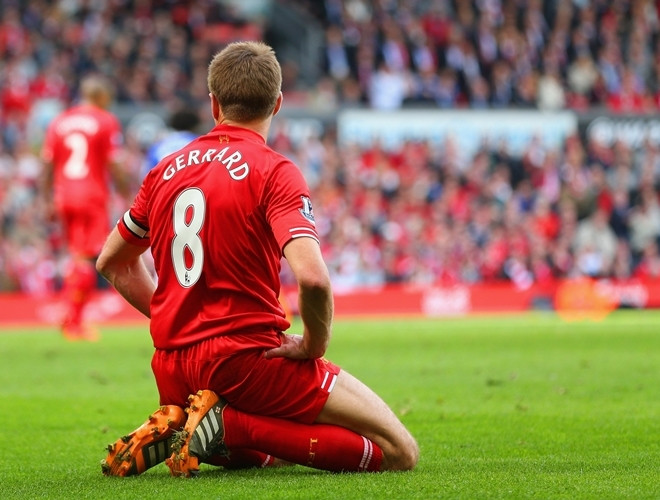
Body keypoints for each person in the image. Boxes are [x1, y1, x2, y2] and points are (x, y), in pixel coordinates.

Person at [97, 41, 418, 477]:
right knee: (398, 451)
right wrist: (314, 345)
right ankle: (229, 425)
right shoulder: (274, 170)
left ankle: (189, 424)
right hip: (247, 363)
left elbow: (112, 263)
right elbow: (314, 278)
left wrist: (176, 320)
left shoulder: (164, 170)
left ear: (214, 104)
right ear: (278, 103)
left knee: (264, 454)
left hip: (173, 370)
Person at [42, 74, 131, 341]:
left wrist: (46, 199)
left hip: (64, 195)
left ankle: (70, 317)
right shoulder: (105, 120)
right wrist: (127, 193)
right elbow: (114, 162)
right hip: (91, 195)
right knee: (86, 257)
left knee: (76, 255)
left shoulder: (60, 121)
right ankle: (74, 323)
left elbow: (47, 164)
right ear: (101, 97)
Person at [142, 108, 201, 177]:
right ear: (194, 126)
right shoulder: (197, 141)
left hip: (163, 180)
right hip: (189, 180)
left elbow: (146, 173)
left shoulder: (159, 145)